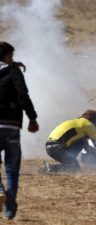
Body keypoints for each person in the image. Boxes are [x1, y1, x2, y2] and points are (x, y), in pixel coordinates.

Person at [0, 42, 39, 220]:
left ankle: (0, 191)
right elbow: (22, 95)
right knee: (12, 168)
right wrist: (32, 118)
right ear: (7, 56)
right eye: (11, 56)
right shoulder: (14, 73)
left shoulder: (12, 69)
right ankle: (9, 206)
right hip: (11, 126)